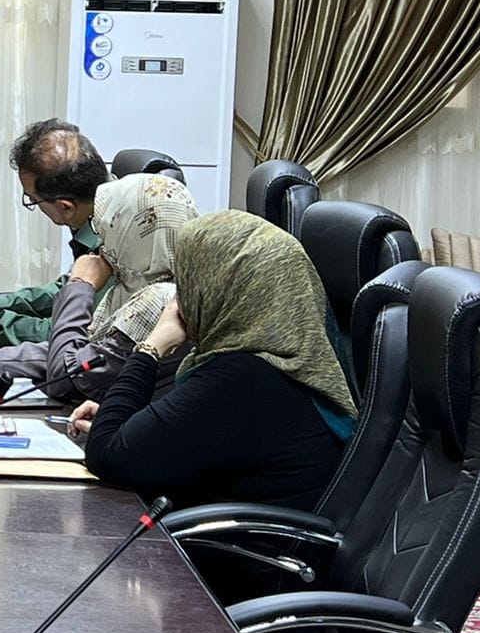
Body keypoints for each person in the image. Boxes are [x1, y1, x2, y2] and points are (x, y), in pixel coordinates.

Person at [71, 211, 356, 510]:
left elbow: (106, 455)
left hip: (231, 551)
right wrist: (124, 422)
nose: (180, 298)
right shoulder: (285, 358)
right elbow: (186, 430)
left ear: (218, 288)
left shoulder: (243, 379)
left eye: (186, 281)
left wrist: (153, 345)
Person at [0, 174, 198, 403]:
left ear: (135, 237)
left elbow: (64, 377)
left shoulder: (161, 301)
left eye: (110, 230)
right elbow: (84, 352)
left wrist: (80, 286)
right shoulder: (142, 284)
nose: (102, 244)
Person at [0, 119, 110, 348]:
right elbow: (64, 291)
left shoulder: (119, 241)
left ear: (66, 207)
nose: (34, 205)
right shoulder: (100, 211)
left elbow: (61, 332)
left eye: (33, 200)